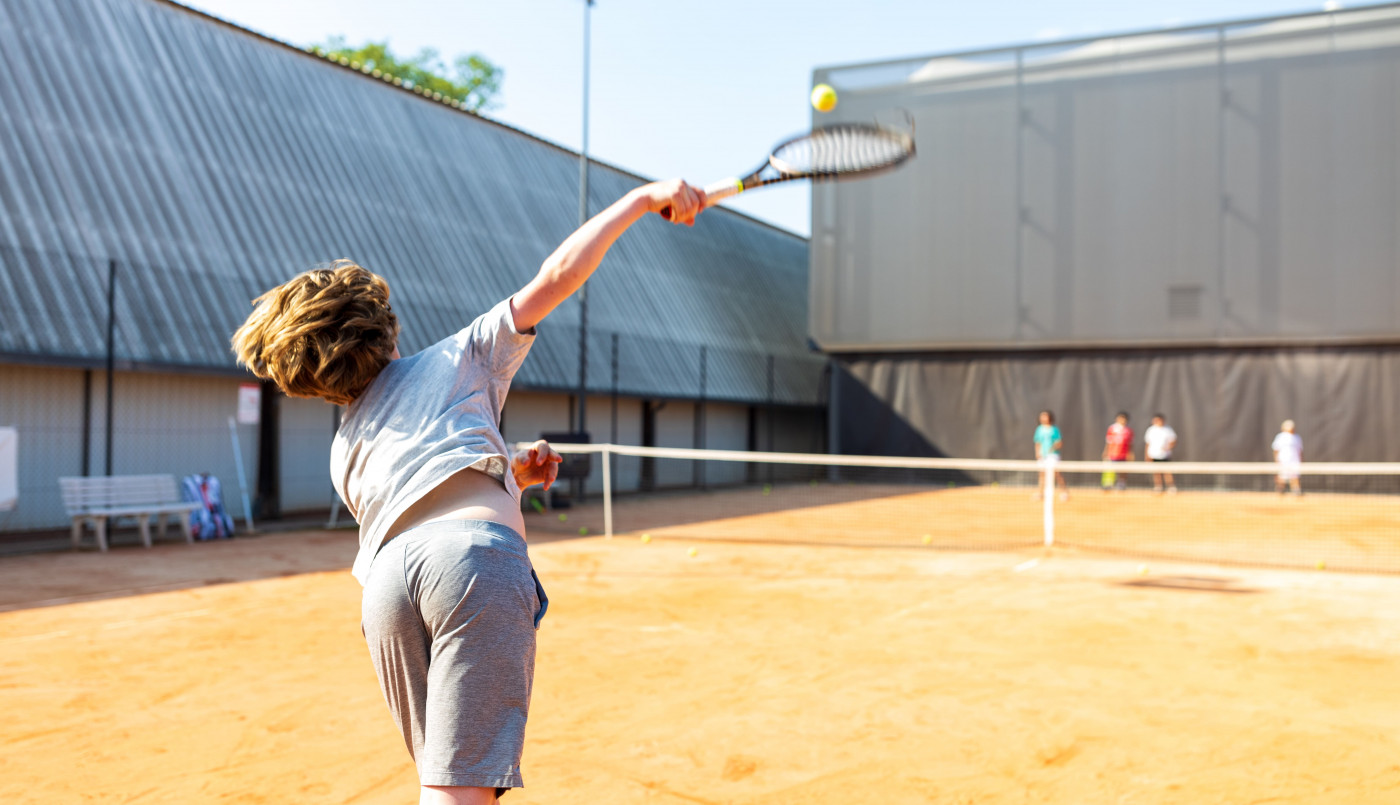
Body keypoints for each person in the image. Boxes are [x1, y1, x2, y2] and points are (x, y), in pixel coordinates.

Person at [231, 179, 707, 805]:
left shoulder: (342, 450)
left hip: (385, 591)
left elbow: (419, 489)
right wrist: (643, 199)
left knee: (445, 783)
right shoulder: (460, 355)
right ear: (384, 328)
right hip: (471, 566)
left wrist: (506, 467)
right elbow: (560, 274)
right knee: (460, 793)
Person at [1033, 409, 1069, 501]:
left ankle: (1064, 492)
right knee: (1041, 474)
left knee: (1057, 474)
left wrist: (1053, 447)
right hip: (1042, 456)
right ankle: (1040, 493)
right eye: (1042, 416)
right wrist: (1038, 453)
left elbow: (1059, 443)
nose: (1043, 418)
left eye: (1045, 416)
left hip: (1053, 456)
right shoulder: (1039, 429)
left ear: (1049, 417)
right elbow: (1037, 442)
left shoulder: (1054, 429)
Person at [1142, 413, 1178, 494]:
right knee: (1156, 472)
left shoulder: (1168, 429)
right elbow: (1147, 443)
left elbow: (1174, 441)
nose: (1157, 421)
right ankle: (1158, 487)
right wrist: (1147, 455)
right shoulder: (1151, 430)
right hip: (1154, 455)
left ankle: (1171, 487)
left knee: (1167, 472)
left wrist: (1167, 447)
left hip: (1165, 455)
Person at [1101, 411, 1134, 492]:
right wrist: (1105, 452)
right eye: (1120, 418)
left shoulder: (1129, 431)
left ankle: (1121, 484)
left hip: (1123, 455)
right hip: (1112, 454)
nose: (1122, 420)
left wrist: (1130, 454)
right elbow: (1108, 442)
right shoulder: (1112, 429)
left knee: (1123, 470)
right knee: (1110, 469)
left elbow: (1131, 444)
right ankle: (1108, 484)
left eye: (1124, 418)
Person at [1272, 419, 1303, 496]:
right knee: (1281, 475)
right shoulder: (1280, 437)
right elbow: (1276, 449)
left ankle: (1296, 490)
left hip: (1295, 460)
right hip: (1283, 460)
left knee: (1295, 476)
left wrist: (1301, 459)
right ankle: (1280, 490)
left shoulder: (1297, 437)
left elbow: (1300, 450)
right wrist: (1277, 460)